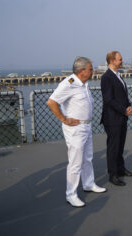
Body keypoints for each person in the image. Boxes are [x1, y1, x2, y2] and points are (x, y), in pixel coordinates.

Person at [47, 57, 106, 208]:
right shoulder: (68, 84)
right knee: (75, 162)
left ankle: (88, 183)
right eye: (90, 69)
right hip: (75, 129)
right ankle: (71, 194)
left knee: (87, 157)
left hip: (86, 126)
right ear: (81, 71)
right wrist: (64, 119)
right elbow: (51, 102)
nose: (93, 72)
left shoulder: (83, 84)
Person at [100, 51, 132, 187]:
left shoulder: (118, 75)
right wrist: (123, 109)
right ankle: (113, 174)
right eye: (120, 59)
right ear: (112, 61)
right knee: (113, 147)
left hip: (121, 117)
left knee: (120, 145)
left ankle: (121, 169)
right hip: (112, 118)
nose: (122, 61)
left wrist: (129, 105)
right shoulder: (106, 77)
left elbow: (122, 95)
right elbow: (108, 99)